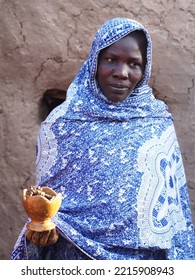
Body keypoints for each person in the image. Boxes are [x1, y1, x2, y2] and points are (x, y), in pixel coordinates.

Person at [11, 17, 195, 260]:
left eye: (134, 63)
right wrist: (43, 227)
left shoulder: (156, 123)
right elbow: (48, 205)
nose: (122, 73)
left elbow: (174, 209)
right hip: (75, 259)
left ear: (145, 68)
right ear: (94, 62)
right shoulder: (63, 124)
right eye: (111, 60)